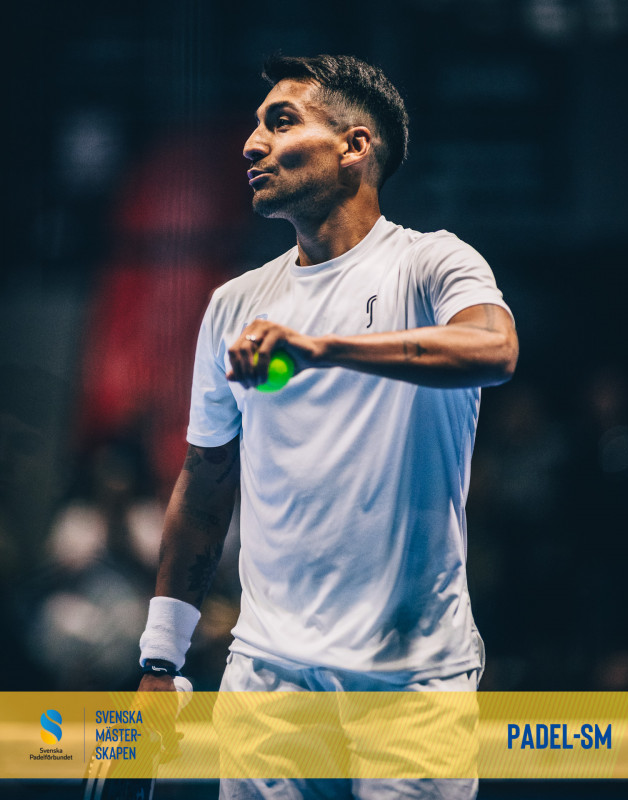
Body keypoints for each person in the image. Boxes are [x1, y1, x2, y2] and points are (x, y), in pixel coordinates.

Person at [138, 54, 519, 799]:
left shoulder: (432, 263)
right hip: (267, 682)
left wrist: (319, 348)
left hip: (413, 680)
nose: (252, 144)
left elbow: (494, 349)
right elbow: (206, 484)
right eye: (257, 125)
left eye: (281, 122)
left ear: (355, 145)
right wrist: (161, 657)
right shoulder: (234, 304)